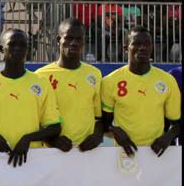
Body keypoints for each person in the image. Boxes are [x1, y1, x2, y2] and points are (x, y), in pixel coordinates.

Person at [0, 29, 62, 167]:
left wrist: (28, 139)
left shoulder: (41, 82)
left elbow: (54, 127)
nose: (18, 48)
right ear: (2, 49)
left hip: (32, 159)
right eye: (12, 44)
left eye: (22, 45)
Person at [101, 27, 181, 158]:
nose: (142, 47)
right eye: (136, 44)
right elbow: (104, 123)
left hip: (157, 153)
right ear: (126, 48)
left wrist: (168, 137)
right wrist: (114, 130)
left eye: (147, 44)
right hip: (124, 154)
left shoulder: (167, 80)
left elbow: (176, 124)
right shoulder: (110, 81)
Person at [36, 20, 104, 152]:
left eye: (79, 39)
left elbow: (99, 118)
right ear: (58, 40)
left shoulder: (94, 74)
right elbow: (33, 118)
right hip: (52, 152)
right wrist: (52, 139)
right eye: (69, 38)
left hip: (85, 153)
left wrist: (97, 136)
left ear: (83, 42)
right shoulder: (41, 76)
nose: (74, 43)